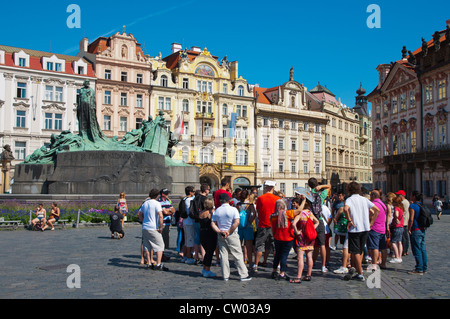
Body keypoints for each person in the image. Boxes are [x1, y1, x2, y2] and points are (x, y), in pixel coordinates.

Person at [211, 193, 252, 282]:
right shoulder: (233, 209)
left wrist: (219, 231)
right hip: (231, 233)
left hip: (221, 233)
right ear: (228, 200)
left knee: (223, 255)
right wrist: (229, 231)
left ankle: (225, 275)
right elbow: (236, 222)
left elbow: (213, 223)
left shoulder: (217, 210)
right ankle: (243, 275)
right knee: (237, 254)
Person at [344, 182, 380, 281]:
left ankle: (360, 274)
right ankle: (356, 269)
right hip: (365, 228)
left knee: (355, 251)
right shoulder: (364, 199)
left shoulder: (350, 199)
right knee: (360, 250)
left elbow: (346, 209)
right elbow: (376, 210)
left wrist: (349, 220)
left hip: (355, 228)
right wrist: (371, 222)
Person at [291, 195, 320, 283]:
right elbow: (317, 221)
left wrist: (297, 232)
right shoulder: (309, 213)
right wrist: (312, 229)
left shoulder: (300, 214)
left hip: (302, 237)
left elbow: (293, 224)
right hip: (310, 237)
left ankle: (298, 277)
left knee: (300, 257)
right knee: (309, 256)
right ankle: (308, 275)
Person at [138, 189, 168, 271]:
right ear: (157, 195)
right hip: (153, 227)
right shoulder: (156, 203)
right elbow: (161, 216)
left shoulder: (145, 203)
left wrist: (143, 221)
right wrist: (161, 227)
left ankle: (149, 263)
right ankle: (158, 264)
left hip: (145, 227)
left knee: (147, 245)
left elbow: (139, 214)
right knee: (160, 245)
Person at [254, 180, 280, 273]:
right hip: (274, 225)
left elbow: (258, 211)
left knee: (260, 246)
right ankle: (278, 266)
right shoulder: (277, 199)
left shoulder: (260, 198)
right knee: (274, 246)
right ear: (273, 188)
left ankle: (256, 265)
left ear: (266, 187)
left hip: (263, 224)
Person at [308, 178, 332, 273]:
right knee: (322, 244)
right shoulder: (321, 194)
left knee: (310, 244)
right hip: (319, 220)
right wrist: (321, 186)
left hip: (310, 220)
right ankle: (323, 266)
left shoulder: (307, 194)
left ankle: (309, 264)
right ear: (317, 184)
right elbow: (329, 186)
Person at [367, 190, 388, 271]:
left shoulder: (373, 205)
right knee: (383, 247)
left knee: (374, 247)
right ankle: (383, 263)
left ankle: (374, 264)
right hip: (382, 228)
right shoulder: (383, 204)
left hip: (375, 228)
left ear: (373, 196)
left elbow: (370, 215)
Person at [408, 191, 428, 275]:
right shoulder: (422, 205)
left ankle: (419, 268)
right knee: (423, 249)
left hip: (415, 229)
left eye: (411, 195)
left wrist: (409, 228)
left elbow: (411, 219)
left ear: (413, 197)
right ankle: (424, 268)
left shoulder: (413, 206)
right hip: (422, 229)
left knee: (416, 249)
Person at [236, 189, 257, 267]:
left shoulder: (238, 204)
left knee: (238, 245)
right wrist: (250, 221)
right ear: (248, 196)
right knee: (249, 246)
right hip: (248, 227)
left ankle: (239, 261)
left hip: (240, 226)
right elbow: (254, 214)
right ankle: (250, 262)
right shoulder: (250, 205)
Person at [199, 198, 217, 278]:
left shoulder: (201, 212)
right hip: (210, 233)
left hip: (202, 233)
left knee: (207, 251)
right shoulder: (211, 213)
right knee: (210, 252)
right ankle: (207, 269)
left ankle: (204, 268)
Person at [158, 188, 175, 261]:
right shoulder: (159, 202)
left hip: (168, 222)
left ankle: (163, 254)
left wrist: (168, 211)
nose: (168, 195)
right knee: (161, 240)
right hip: (163, 223)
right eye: (167, 193)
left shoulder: (168, 201)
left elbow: (173, 210)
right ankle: (161, 255)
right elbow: (164, 212)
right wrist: (169, 211)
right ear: (163, 194)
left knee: (165, 239)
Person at [182, 186, 197, 265]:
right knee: (190, 240)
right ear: (190, 192)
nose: (194, 193)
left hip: (185, 221)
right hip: (190, 221)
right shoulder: (190, 200)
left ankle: (185, 256)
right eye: (193, 192)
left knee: (187, 240)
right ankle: (188, 257)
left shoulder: (184, 199)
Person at [389, 196, 404, 264]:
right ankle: (399, 257)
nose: (392, 203)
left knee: (393, 242)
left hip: (396, 226)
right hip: (401, 227)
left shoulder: (397, 208)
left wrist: (396, 219)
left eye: (393, 202)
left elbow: (396, 214)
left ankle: (397, 257)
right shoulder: (401, 208)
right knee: (399, 242)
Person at [396, 190, 410, 256]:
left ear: (401, 196)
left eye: (398, 195)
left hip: (403, 222)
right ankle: (406, 250)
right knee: (405, 237)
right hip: (405, 221)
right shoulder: (407, 201)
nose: (397, 196)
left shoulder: (403, 202)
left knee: (403, 238)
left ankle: (404, 250)